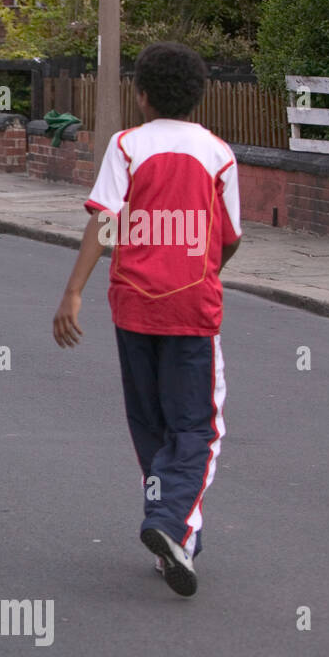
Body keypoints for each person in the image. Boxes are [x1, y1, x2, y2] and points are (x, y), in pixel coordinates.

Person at [51, 42, 241, 598]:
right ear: (199, 94)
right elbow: (229, 238)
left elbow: (104, 224)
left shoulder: (126, 146)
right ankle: (169, 519)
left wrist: (73, 292)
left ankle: (179, 537)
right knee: (200, 429)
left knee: (151, 423)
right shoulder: (217, 154)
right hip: (192, 309)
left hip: (132, 307)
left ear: (141, 95)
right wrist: (203, 269)